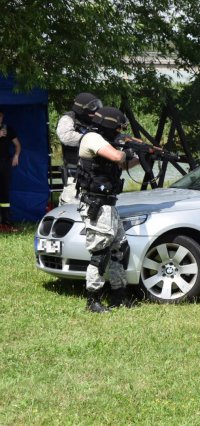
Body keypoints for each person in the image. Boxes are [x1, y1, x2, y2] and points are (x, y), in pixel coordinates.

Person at [75, 106, 138, 313]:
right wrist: (128, 150)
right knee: (100, 253)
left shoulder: (107, 142)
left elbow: (124, 165)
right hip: (96, 204)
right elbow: (117, 157)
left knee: (120, 248)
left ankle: (119, 296)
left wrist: (144, 156)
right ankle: (93, 300)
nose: (120, 131)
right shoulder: (92, 138)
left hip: (108, 205)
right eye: (118, 128)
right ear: (111, 125)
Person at [56, 92, 102, 205]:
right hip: (75, 176)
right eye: (92, 106)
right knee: (71, 206)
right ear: (81, 108)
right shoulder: (68, 118)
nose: (94, 111)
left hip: (95, 173)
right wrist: (89, 139)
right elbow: (65, 137)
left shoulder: (95, 120)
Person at [0, 111, 21, 231]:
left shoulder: (8, 130)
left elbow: (18, 145)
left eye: (0, 117)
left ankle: (6, 220)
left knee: (4, 191)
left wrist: (16, 156)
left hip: (4, 163)